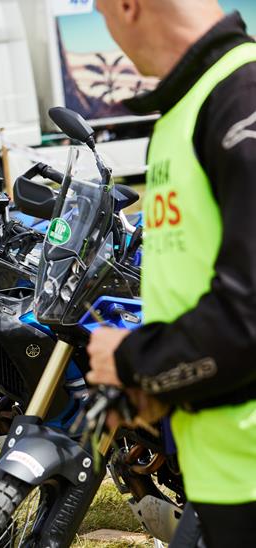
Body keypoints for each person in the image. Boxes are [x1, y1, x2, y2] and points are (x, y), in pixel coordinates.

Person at [87, 0, 256, 545]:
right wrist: (163, 383)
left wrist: (136, 363)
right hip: (223, 473)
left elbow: (249, 313)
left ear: (127, 6)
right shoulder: (190, 106)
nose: (109, 34)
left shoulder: (240, 99)